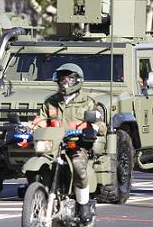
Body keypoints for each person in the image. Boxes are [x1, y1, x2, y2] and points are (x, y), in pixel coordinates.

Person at [30, 63, 106, 225]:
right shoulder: (51, 102)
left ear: (77, 80)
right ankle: (38, 195)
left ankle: (83, 205)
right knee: (35, 163)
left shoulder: (88, 102)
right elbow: (41, 121)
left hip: (76, 145)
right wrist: (31, 128)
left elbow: (101, 125)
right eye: (63, 78)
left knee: (79, 167)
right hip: (53, 146)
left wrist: (92, 128)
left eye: (70, 78)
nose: (65, 82)